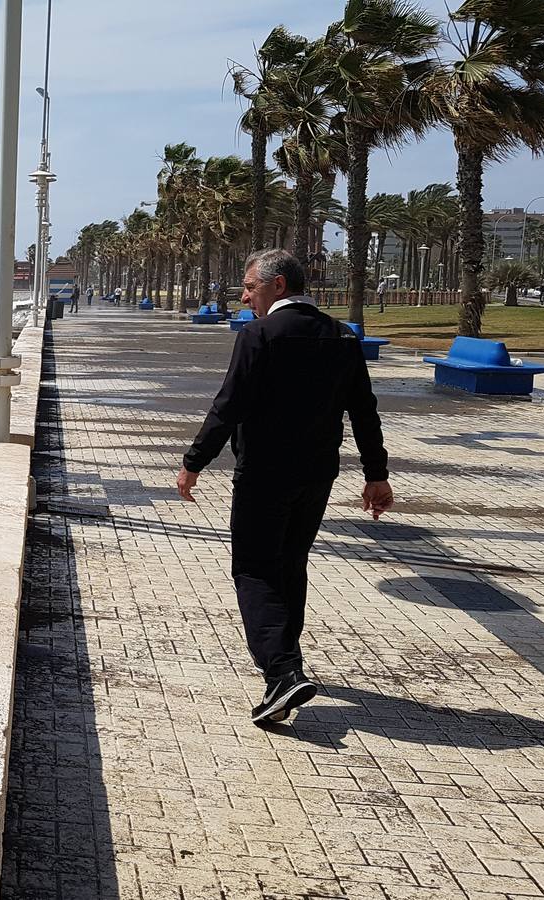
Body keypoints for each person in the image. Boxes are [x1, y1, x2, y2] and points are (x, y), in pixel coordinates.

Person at [175, 249, 393, 725]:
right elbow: (364, 411)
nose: (244, 294)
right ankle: (287, 666)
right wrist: (376, 475)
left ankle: (282, 673)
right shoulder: (341, 336)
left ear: (278, 286)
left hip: (263, 475)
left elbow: (228, 404)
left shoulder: (260, 335)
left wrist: (194, 462)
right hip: (316, 475)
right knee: (290, 566)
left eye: (250, 286)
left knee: (254, 569)